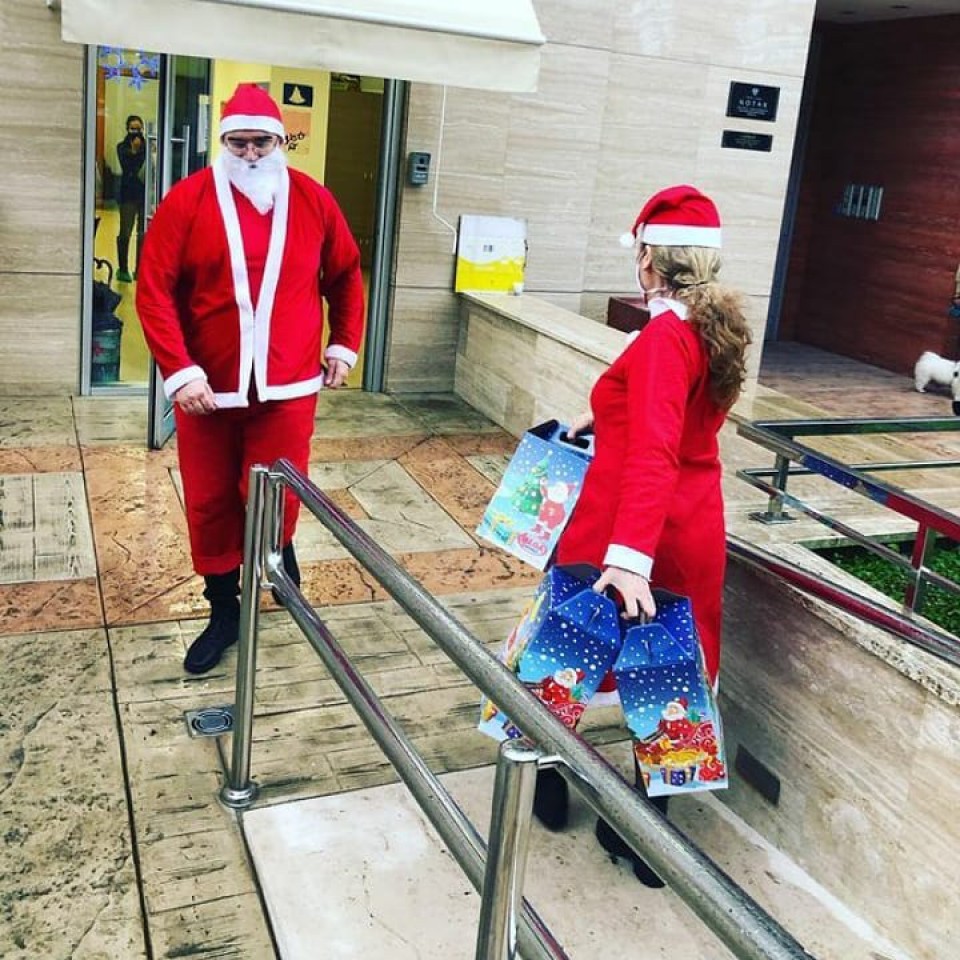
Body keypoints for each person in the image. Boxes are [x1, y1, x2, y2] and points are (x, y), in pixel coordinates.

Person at [533, 184, 752, 886]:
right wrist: (603, 417)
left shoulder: (662, 336)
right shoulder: (708, 327)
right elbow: (678, 421)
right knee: (666, 677)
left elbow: (656, 446)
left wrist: (628, 558)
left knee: (563, 656)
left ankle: (543, 775)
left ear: (650, 260)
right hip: (691, 526)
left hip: (626, 526)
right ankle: (646, 834)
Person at [136, 84, 365, 675]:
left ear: (280, 141)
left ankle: (277, 558)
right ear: (223, 142)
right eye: (239, 143)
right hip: (206, 389)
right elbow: (154, 290)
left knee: (274, 490)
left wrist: (343, 343)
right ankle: (222, 610)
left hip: (287, 385)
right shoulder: (187, 201)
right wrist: (179, 370)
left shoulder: (314, 200)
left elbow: (345, 274)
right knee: (211, 498)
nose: (251, 153)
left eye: (262, 142)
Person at [116, 114, 146, 282]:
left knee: (142, 234)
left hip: (143, 195)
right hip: (127, 195)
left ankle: (140, 269)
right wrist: (134, 152)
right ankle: (123, 268)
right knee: (125, 233)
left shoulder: (147, 146)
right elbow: (127, 167)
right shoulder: (121, 147)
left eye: (138, 129)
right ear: (127, 129)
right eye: (133, 129)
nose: (136, 132)